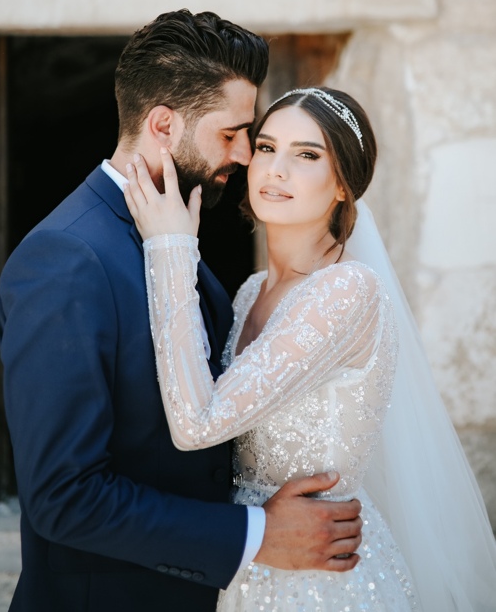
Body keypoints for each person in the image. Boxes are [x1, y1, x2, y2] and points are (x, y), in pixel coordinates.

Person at [0, 15, 363, 612]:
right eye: (232, 133)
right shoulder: (66, 259)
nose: (245, 155)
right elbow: (64, 496)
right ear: (164, 125)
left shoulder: (174, 235)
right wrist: (257, 534)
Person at [124, 85, 496, 611]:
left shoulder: (347, 291)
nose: (276, 169)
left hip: (322, 582)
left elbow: (197, 423)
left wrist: (171, 247)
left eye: (306, 155)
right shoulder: (250, 292)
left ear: (343, 184)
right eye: (267, 147)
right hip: (249, 565)